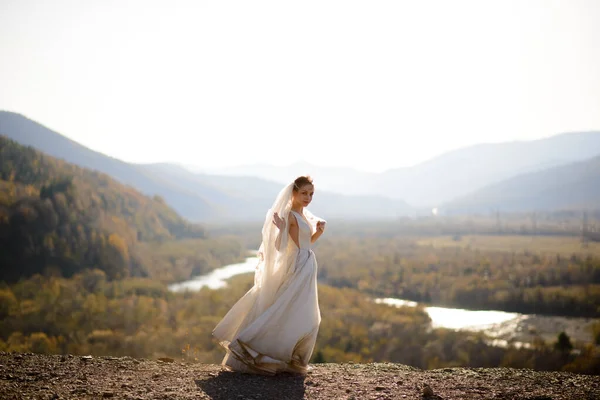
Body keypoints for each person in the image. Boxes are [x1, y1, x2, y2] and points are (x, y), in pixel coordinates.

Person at [212, 175, 326, 375]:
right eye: (304, 193)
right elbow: (279, 248)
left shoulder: (305, 215)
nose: (308, 197)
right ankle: (257, 349)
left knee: (305, 313)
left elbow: (306, 243)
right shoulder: (290, 216)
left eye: (311, 194)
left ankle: (291, 358)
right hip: (297, 265)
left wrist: (318, 233)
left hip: (308, 262)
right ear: (294, 193)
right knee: (294, 311)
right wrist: (281, 231)